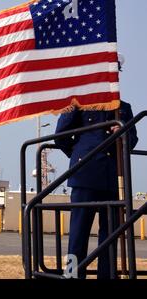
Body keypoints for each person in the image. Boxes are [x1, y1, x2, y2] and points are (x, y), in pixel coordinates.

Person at [55, 100, 138, 279]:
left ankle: (106, 275)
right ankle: (73, 276)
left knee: (110, 235)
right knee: (78, 234)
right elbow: (60, 136)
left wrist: (123, 136)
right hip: (84, 175)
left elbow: (132, 140)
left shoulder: (123, 108)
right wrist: (80, 154)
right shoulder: (79, 104)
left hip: (114, 178)